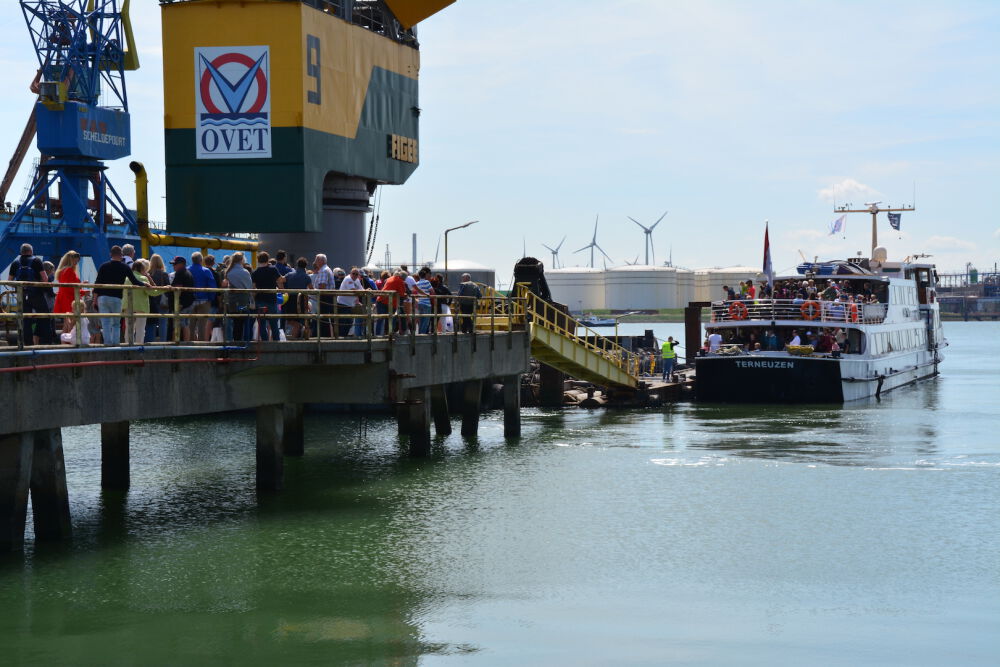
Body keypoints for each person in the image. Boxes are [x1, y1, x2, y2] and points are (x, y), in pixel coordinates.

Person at [94, 245, 146, 345]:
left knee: (105, 323)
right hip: (116, 298)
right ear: (121, 255)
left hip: (102, 297)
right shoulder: (125, 267)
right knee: (116, 324)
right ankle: (115, 344)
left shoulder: (103, 266)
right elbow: (134, 281)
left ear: (110, 254)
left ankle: (107, 344)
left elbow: (97, 283)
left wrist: (94, 300)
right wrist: (145, 284)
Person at [8, 243, 55, 345]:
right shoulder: (36, 261)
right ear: (31, 251)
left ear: (21, 252)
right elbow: (45, 279)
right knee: (44, 317)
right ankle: (46, 342)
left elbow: (10, 281)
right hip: (36, 294)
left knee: (26, 319)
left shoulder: (15, 263)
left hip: (22, 295)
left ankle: (27, 344)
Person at [122, 259, 167, 345]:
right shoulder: (143, 278)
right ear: (142, 269)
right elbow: (152, 293)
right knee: (140, 329)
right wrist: (164, 289)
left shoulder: (127, 278)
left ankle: (127, 345)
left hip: (127, 306)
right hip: (141, 307)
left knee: (129, 328)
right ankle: (139, 346)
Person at [251, 251, 284, 341]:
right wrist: (281, 289)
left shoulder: (255, 272)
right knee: (274, 324)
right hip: (272, 299)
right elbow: (280, 280)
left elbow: (253, 288)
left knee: (262, 324)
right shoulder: (273, 269)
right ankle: (276, 342)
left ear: (258, 260)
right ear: (268, 260)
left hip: (260, 300)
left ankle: (265, 342)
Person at [222, 251, 254, 341]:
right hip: (243, 302)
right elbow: (249, 287)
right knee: (243, 323)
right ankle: (242, 342)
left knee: (234, 322)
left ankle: (232, 341)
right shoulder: (245, 272)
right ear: (242, 260)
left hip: (231, 302)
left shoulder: (228, 272)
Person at [188, 252, 217, 341]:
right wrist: (210, 299)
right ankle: (201, 344)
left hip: (190, 301)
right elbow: (212, 286)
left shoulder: (187, 270)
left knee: (190, 325)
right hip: (204, 300)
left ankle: (190, 343)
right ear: (201, 260)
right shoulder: (206, 271)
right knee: (202, 325)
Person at [282, 257, 313, 339]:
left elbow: (280, 280)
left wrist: (283, 291)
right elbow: (312, 289)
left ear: (297, 265)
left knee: (290, 320)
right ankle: (294, 337)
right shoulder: (307, 277)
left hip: (289, 300)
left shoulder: (289, 275)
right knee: (298, 321)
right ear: (305, 266)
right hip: (301, 301)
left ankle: (291, 336)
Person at [53, 250, 82, 335]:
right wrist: (83, 291)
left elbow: (67, 286)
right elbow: (70, 288)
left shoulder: (62, 271)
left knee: (66, 324)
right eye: (75, 261)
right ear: (71, 260)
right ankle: (70, 341)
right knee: (71, 324)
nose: (76, 263)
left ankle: (64, 341)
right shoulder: (69, 270)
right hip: (69, 300)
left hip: (64, 299)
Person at [169, 256, 195, 341]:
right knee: (185, 325)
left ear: (181, 264)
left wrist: (178, 303)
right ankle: (186, 343)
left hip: (181, 304)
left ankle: (175, 344)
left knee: (177, 325)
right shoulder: (187, 272)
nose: (174, 266)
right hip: (188, 303)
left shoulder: (180, 273)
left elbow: (178, 289)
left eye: (175, 264)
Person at [146, 254, 171, 342]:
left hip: (151, 302)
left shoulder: (148, 274)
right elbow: (168, 288)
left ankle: (150, 341)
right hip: (162, 302)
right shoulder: (164, 274)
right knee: (163, 323)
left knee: (151, 323)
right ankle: (163, 342)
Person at [311, 254, 336, 337]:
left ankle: (322, 336)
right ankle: (326, 336)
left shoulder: (323, 270)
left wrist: (313, 290)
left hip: (324, 297)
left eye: (316, 260)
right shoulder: (327, 269)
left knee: (322, 317)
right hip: (328, 296)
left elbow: (322, 286)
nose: (315, 262)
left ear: (321, 261)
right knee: (325, 317)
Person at [377, 270, 408, 335]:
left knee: (380, 319)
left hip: (381, 300)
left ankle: (378, 335)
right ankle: (390, 334)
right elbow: (402, 294)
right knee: (392, 319)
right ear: (404, 278)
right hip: (390, 303)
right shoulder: (400, 281)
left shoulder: (390, 278)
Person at [337, 267, 365, 337]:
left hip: (350, 305)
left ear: (358, 275)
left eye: (356, 274)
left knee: (349, 322)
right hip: (343, 304)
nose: (354, 275)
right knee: (344, 322)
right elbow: (353, 290)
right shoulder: (348, 279)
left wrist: (365, 291)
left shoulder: (357, 280)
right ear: (350, 273)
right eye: (353, 273)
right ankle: (341, 338)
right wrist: (363, 291)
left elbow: (362, 290)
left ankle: (344, 337)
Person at [415, 267, 433, 334]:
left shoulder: (417, 283)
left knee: (421, 320)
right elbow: (432, 291)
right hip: (426, 304)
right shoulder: (427, 282)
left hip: (419, 303)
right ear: (425, 275)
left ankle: (420, 333)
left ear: (419, 276)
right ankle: (422, 335)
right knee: (426, 321)